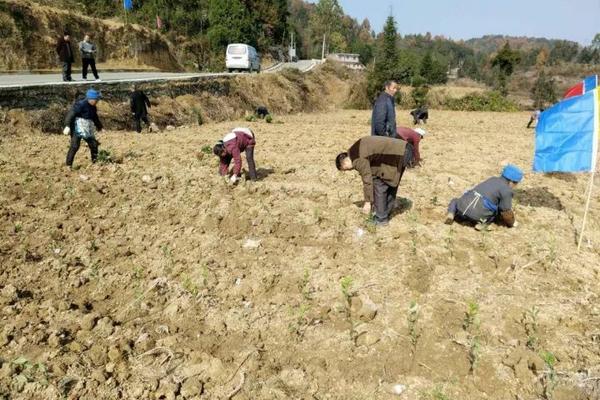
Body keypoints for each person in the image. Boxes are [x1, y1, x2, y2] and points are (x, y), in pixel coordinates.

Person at [335, 136, 413, 226]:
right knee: (388, 181)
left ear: (344, 163)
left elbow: (367, 180)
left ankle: (381, 219)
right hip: (404, 149)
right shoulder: (354, 150)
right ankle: (385, 212)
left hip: (400, 154)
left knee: (379, 184)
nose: (348, 171)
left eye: (345, 169)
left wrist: (368, 202)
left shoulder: (358, 160)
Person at [445, 164, 523, 230]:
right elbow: (505, 211)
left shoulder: (492, 179)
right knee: (495, 214)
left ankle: (451, 214)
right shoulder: (507, 190)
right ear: (512, 182)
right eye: (516, 184)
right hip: (478, 216)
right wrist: (512, 223)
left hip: (461, 208)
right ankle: (482, 225)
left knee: (454, 201)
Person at [63, 89, 103, 168]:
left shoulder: (93, 107)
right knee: (75, 146)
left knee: (94, 144)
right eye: (96, 100)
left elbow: (95, 118)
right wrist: (67, 125)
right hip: (76, 127)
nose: (97, 101)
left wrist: (100, 127)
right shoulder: (80, 105)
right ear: (91, 99)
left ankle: (95, 162)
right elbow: (71, 114)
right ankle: (68, 165)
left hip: (87, 127)